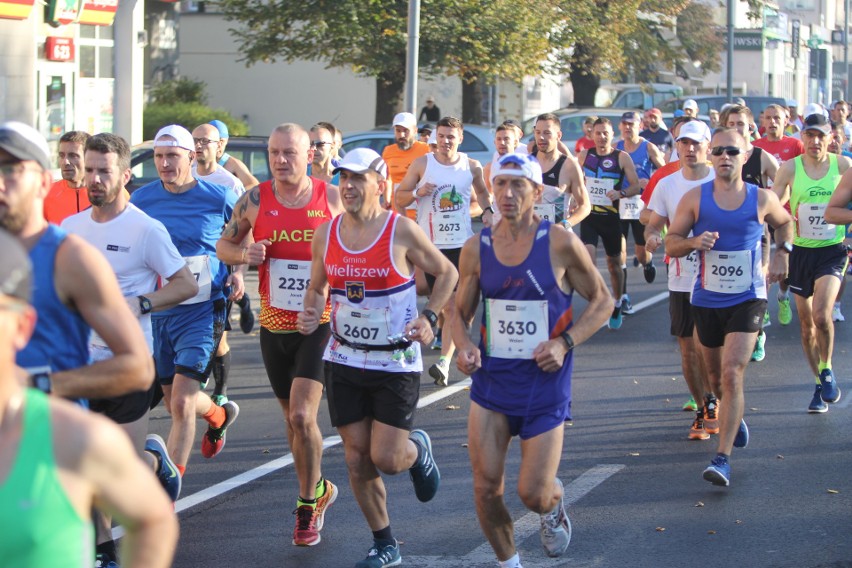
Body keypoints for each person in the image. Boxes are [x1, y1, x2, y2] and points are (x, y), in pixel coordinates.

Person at [452, 152, 611, 568]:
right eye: (500, 184)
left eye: (517, 185)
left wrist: (565, 343)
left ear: (537, 192)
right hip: (492, 385)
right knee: (486, 488)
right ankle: (510, 564)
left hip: (544, 385)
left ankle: (553, 501)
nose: (506, 193)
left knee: (533, 494)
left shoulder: (559, 242)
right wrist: (463, 346)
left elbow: (602, 301)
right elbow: (458, 311)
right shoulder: (476, 247)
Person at [300, 148, 457, 567]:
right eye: (342, 178)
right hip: (345, 358)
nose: (347, 186)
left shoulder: (400, 231)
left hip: (394, 361)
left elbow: (448, 273)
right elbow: (316, 288)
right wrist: (312, 308)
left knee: (386, 458)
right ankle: (385, 542)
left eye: (357, 179)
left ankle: (416, 450)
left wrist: (429, 316)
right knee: (355, 456)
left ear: (380, 185)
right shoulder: (326, 234)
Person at [0, 229, 179, 568]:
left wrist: (43, 382)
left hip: (74, 403)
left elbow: (152, 521)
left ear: (22, 326)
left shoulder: (77, 438)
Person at [60, 133, 196, 564]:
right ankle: (104, 551)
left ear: (124, 175)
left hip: (129, 364)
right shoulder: (69, 229)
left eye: (105, 171)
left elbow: (186, 283)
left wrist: (141, 302)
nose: (95, 179)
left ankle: (155, 462)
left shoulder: (145, 229)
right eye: (91, 170)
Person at [217, 123, 342, 547]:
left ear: (309, 155)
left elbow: (355, 250)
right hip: (274, 325)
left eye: (289, 152)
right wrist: (243, 253)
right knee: (292, 423)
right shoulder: (254, 199)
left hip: (318, 322)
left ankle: (307, 505)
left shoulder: (333, 199)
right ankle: (320, 487)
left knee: (304, 416)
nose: (279, 159)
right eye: (273, 152)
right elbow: (223, 246)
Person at [665, 127, 792, 486]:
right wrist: (692, 241)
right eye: (718, 150)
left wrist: (783, 253)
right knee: (717, 379)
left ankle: (722, 458)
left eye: (732, 151)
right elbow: (671, 244)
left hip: (748, 297)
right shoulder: (695, 199)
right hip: (706, 299)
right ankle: (732, 416)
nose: (724, 157)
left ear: (746, 154)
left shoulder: (761, 198)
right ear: (710, 155)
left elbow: (785, 225)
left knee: (733, 370)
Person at [0, 122, 152, 401]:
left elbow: (138, 367)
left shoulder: (72, 258)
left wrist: (38, 384)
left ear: (43, 182)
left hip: (48, 433)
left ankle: (147, 448)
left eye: (11, 170)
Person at [130, 124, 241, 482]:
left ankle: (170, 484)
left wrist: (237, 270)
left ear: (191, 158)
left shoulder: (218, 197)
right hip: (159, 311)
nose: (164, 163)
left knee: (180, 402)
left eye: (172, 156)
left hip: (203, 308)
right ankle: (218, 416)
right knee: (177, 398)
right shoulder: (142, 201)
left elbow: (243, 232)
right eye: (159, 157)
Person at [395, 116, 495, 386]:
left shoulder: (471, 166)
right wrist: (417, 191)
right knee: (425, 297)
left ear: (460, 139)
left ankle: (444, 362)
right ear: (435, 138)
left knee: (451, 306)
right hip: (427, 247)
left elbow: (484, 194)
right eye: (441, 136)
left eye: (451, 136)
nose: (445, 141)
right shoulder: (422, 164)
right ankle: (426, 335)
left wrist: (487, 211)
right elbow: (399, 197)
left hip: (460, 246)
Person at [644, 119, 718, 440]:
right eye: (684, 143)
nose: (689, 149)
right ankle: (703, 408)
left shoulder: (722, 180)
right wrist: (651, 238)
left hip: (718, 278)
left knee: (709, 348)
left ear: (708, 146)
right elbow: (653, 223)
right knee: (688, 348)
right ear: (677, 146)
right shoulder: (667, 184)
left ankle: (718, 400)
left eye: (695, 144)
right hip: (681, 278)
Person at [773, 113, 851, 412]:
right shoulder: (790, 168)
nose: (815, 141)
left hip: (832, 250)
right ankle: (819, 382)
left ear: (830, 137)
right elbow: (775, 201)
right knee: (806, 326)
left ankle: (828, 367)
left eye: (821, 136)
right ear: (802, 137)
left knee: (822, 315)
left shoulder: (843, 166)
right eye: (810, 135)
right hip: (801, 252)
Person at [191, 122, 254, 406]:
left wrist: (239, 273)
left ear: (219, 147)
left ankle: (221, 390)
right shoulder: (185, 176)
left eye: (206, 140)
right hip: (187, 271)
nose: (199, 145)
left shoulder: (229, 183)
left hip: (219, 270)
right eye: (195, 140)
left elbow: (246, 231)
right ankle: (196, 372)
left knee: (218, 337)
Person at [577, 117, 641, 329]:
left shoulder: (622, 157)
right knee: (588, 259)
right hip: (589, 217)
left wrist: (621, 192)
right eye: (598, 133)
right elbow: (573, 183)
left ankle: (618, 299)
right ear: (592, 135)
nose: (602, 136)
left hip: (612, 218)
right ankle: (599, 300)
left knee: (614, 265)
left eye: (606, 133)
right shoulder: (585, 156)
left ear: (612, 135)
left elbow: (635, 186)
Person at [617, 111, 666, 286]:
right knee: (618, 250)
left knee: (641, 253)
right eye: (625, 124)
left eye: (632, 124)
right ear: (620, 127)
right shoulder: (617, 147)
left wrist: (650, 181)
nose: (628, 127)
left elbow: (665, 172)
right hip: (620, 201)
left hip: (640, 203)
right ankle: (621, 292)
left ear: (640, 126)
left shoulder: (648, 147)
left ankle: (648, 262)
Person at [530, 113, 591, 231]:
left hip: (558, 237)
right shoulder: (526, 163)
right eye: (538, 132)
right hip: (531, 236)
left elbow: (585, 206)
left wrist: (564, 225)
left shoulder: (569, 166)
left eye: (547, 133)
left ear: (558, 135)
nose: (541, 137)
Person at [382, 112, 430, 218]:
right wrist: (387, 200)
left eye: (406, 131)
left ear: (415, 131)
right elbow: (387, 179)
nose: (401, 135)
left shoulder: (426, 150)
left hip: (420, 211)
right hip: (397, 210)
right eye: (398, 131)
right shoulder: (388, 151)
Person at [43, 130, 92, 224]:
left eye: (73, 156)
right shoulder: (46, 193)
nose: (65, 162)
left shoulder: (108, 193)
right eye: (62, 155)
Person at [209, 119, 260, 189]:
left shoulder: (233, 164)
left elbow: (254, 185)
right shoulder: (195, 162)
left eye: (222, 141)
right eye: (215, 141)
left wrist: (233, 195)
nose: (219, 145)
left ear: (227, 141)